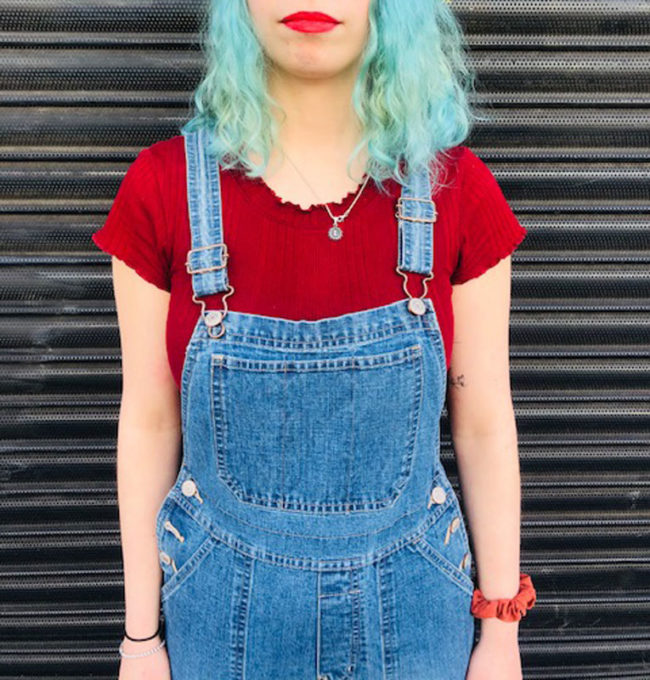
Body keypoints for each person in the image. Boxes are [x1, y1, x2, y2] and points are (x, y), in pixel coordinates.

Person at [92, 1, 536, 678]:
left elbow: (483, 425)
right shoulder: (162, 192)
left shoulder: (457, 192)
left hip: (414, 625)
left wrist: (501, 634)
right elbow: (150, 424)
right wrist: (140, 642)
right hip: (219, 623)